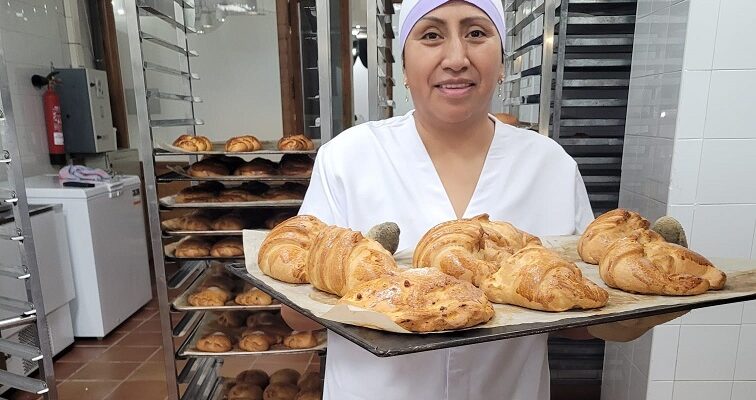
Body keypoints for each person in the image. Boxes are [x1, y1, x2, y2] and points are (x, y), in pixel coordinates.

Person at [281, 1, 677, 398]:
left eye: (476, 33)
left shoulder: (549, 166)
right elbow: (295, 314)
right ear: (404, 66)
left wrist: (627, 314)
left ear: (503, 61)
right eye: (431, 35)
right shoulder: (349, 158)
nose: (456, 58)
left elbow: (570, 313)